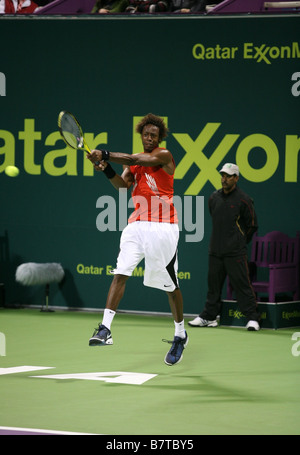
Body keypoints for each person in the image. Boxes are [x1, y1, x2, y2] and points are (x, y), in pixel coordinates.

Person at [87, 113, 188, 366]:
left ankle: (180, 334)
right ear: (141, 135)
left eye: (154, 134)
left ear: (159, 138)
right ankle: (105, 329)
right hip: (136, 225)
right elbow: (122, 187)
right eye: (146, 134)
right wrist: (106, 168)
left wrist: (105, 154)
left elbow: (132, 158)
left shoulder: (163, 155)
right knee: (121, 272)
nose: (150, 137)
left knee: (170, 286)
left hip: (164, 227)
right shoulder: (134, 164)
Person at [189, 163, 260, 331]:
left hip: (235, 252)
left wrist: (239, 241)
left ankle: (252, 319)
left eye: (228, 176)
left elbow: (252, 225)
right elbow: (215, 217)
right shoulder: (214, 197)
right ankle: (209, 317)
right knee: (213, 287)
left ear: (236, 178)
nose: (224, 179)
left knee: (242, 285)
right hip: (215, 250)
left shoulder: (244, 199)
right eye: (223, 175)